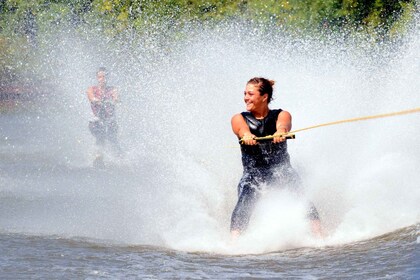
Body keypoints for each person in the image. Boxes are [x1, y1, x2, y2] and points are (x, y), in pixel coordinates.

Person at [230, 77, 322, 237]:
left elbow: (283, 125)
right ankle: (234, 244)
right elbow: (242, 129)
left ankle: (320, 237)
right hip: (253, 174)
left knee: (301, 198)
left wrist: (280, 133)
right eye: (245, 93)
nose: (246, 97)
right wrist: (246, 136)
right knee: (244, 203)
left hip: (281, 171)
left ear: (264, 97)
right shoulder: (239, 118)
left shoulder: (282, 115)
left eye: (250, 94)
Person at [86, 67, 121, 166]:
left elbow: (116, 98)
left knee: (113, 139)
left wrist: (114, 100)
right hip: (95, 121)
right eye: (100, 77)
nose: (102, 79)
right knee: (100, 136)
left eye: (105, 76)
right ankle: (98, 156)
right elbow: (91, 97)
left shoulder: (113, 89)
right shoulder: (91, 89)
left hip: (110, 120)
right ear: (97, 78)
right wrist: (96, 100)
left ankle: (120, 157)